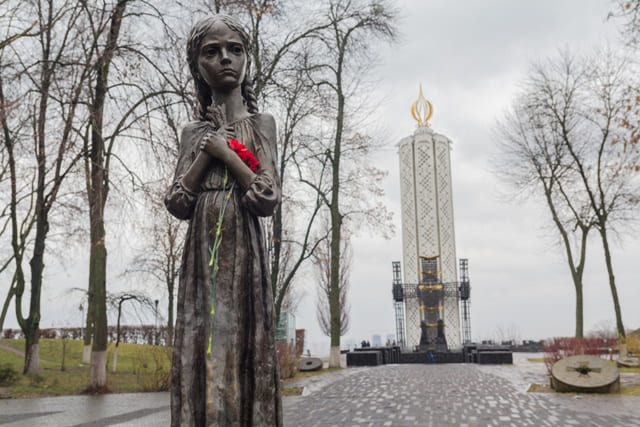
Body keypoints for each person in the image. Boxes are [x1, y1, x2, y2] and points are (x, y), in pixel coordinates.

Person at [164, 14, 282, 426]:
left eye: (235, 49)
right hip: (201, 252)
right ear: (197, 65)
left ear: (247, 58)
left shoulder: (261, 124)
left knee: (242, 338)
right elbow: (178, 202)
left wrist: (228, 153)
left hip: (244, 249)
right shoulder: (191, 132)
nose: (225, 59)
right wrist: (205, 151)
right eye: (211, 52)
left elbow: (267, 198)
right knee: (205, 340)